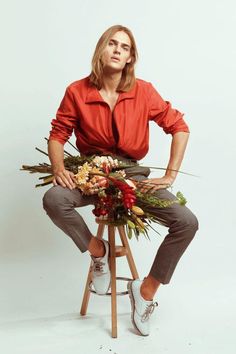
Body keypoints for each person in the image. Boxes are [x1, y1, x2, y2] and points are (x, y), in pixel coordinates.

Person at [42, 24, 199, 336]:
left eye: (124, 47)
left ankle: (145, 292)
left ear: (130, 57)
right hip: (91, 172)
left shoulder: (144, 91)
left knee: (186, 222)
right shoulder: (77, 91)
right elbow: (59, 133)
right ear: (102, 49)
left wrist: (170, 175)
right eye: (111, 43)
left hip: (131, 174)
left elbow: (179, 126)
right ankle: (98, 253)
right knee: (54, 200)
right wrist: (59, 167)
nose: (116, 50)